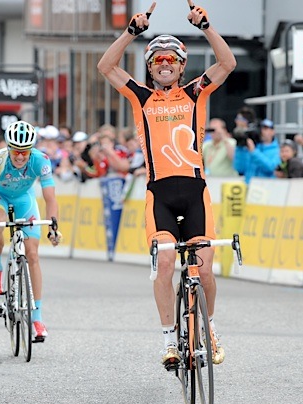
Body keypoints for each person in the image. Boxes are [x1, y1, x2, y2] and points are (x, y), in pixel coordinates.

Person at [98, 0, 236, 368]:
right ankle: (168, 340)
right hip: (159, 192)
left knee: (204, 269)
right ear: (149, 67)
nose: (164, 64)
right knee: (164, 262)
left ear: (181, 65)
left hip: (194, 192)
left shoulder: (195, 92)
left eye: (171, 59)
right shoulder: (141, 96)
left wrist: (206, 27)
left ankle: (210, 326)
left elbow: (227, 64)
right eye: (157, 59)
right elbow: (106, 67)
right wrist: (130, 33)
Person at [0, 120, 61, 341]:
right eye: (16, 151)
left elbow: (50, 198)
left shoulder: (41, 160)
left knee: (32, 254)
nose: (21, 157)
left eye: (25, 151)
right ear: (8, 148)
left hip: (24, 199)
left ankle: (37, 319)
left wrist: (53, 227)